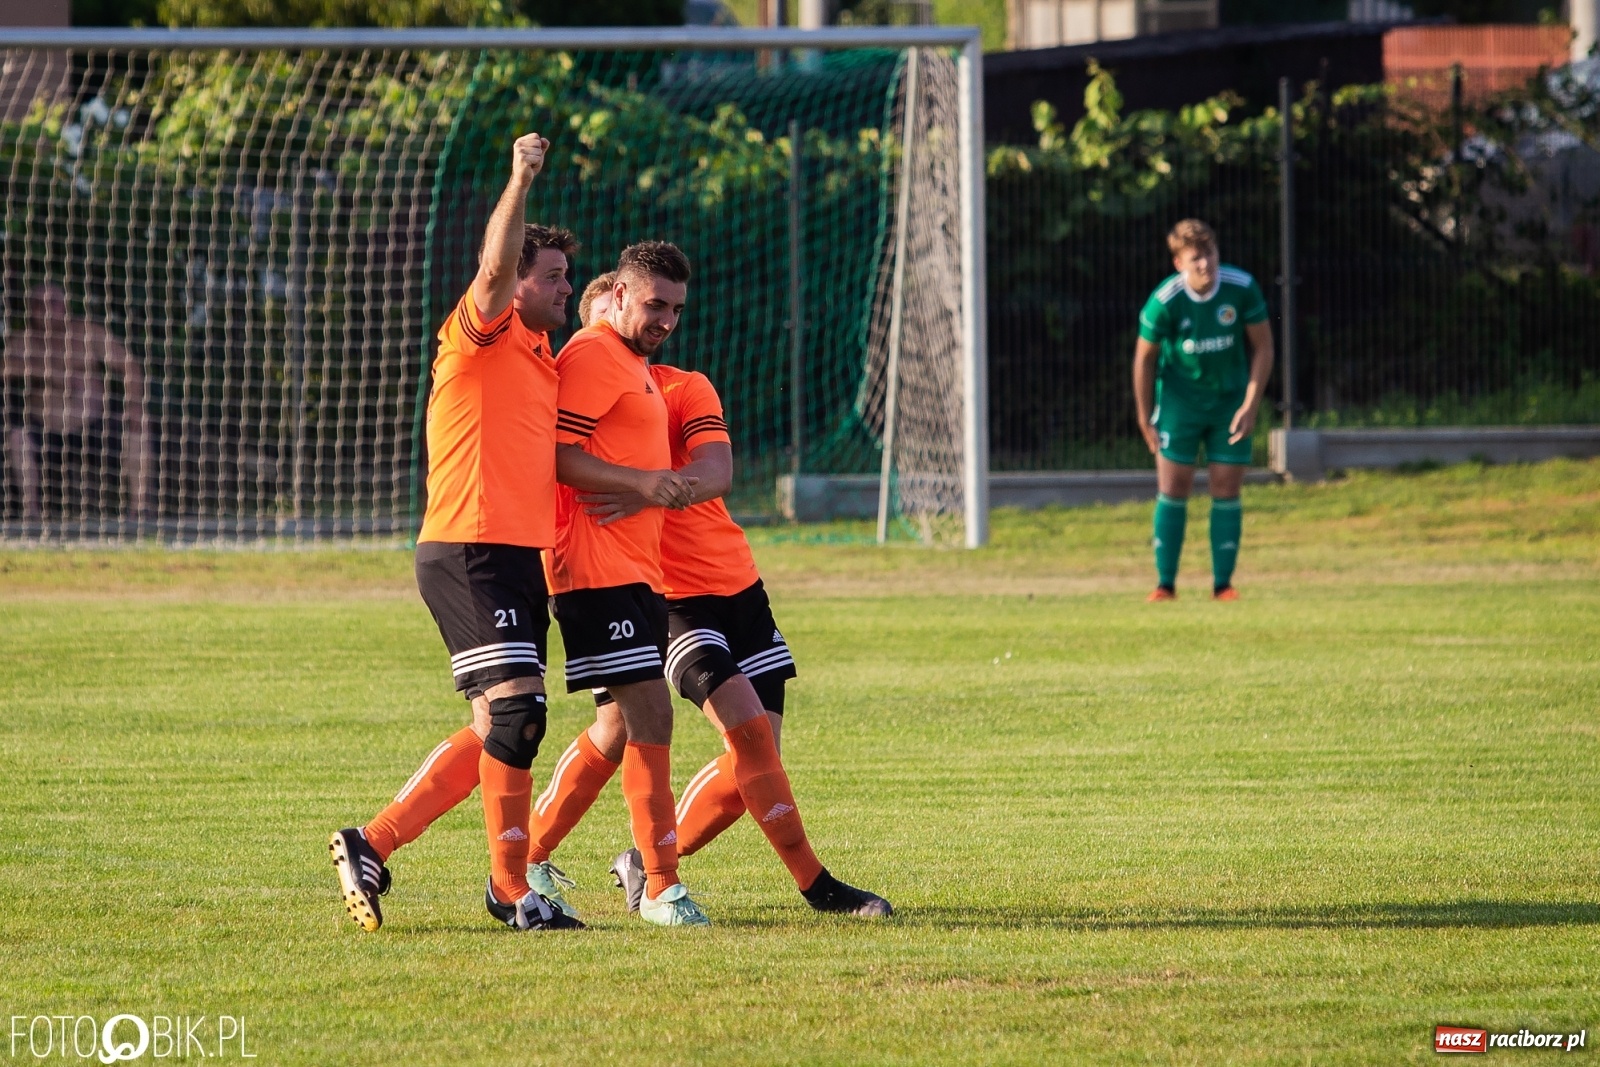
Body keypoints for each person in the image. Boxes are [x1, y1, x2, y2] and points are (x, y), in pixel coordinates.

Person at [555, 293, 891, 917]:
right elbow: (559, 463)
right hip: (674, 600)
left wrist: (650, 490)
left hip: (741, 588)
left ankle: (645, 858)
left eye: (671, 310)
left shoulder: (682, 388)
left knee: (755, 765)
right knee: (742, 733)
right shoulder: (589, 394)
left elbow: (717, 472)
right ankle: (817, 888)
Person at [328, 131, 584, 933]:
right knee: (519, 715)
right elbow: (493, 269)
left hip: (512, 555)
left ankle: (369, 842)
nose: (563, 289)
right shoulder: (483, 331)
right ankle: (512, 891)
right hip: (468, 546)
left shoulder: (544, 357)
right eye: (553, 277)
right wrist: (519, 177)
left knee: (493, 732)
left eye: (568, 278)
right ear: (517, 285)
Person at [539, 241, 708, 927]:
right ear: (617, 295)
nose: (665, 318)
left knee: (615, 724)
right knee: (651, 713)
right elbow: (555, 453)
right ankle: (661, 886)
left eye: (675, 308)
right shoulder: (592, 353)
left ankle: (530, 854)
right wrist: (641, 483)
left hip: (633, 568)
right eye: (654, 304)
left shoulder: (634, 363)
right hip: (594, 566)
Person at [1133, 219, 1274, 602]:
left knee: (1226, 488)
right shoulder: (1165, 301)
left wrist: (1250, 403)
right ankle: (1165, 585)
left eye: (1209, 255)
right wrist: (1144, 417)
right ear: (1179, 262)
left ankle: (1223, 586)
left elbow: (1264, 347)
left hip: (1229, 402)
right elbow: (1144, 359)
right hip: (1180, 405)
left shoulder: (1240, 288)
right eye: (1195, 258)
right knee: (1173, 488)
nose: (1205, 265)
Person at [2, 283, 151, 522]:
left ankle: (139, 510)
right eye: (39, 305)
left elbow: (130, 367)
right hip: (45, 432)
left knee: (139, 424)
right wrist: (54, 374)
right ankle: (31, 513)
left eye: (53, 303)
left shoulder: (87, 333)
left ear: (65, 306)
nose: (46, 311)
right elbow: (5, 367)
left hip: (95, 428)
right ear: (30, 310)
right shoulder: (23, 342)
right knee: (17, 436)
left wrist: (134, 406)